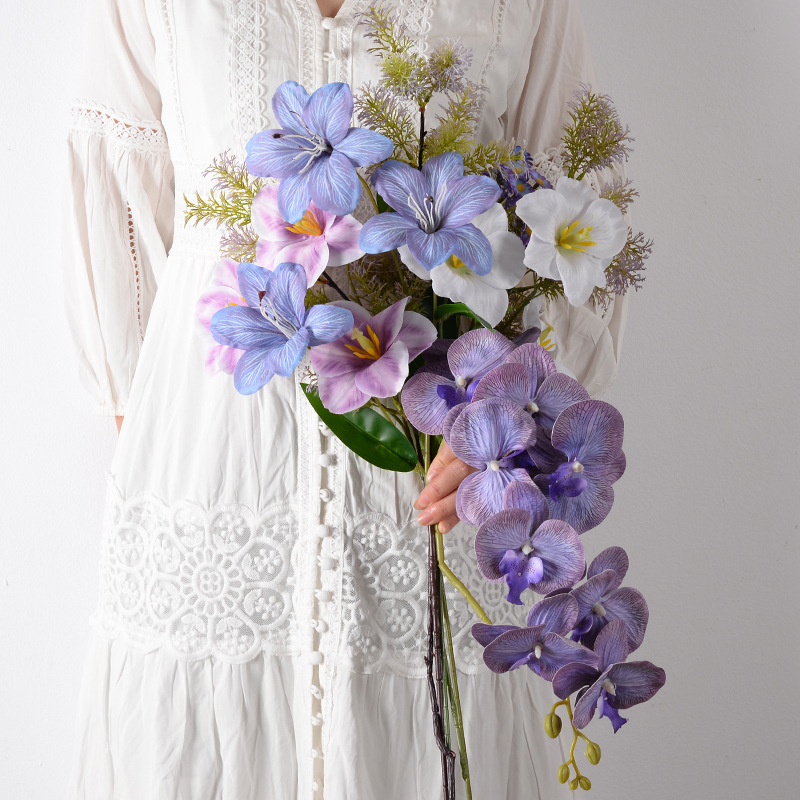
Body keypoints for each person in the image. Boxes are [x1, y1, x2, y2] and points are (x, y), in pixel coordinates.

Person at [63, 1, 627, 797]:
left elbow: (584, 210)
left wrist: (503, 418)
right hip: (214, 480)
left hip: (439, 476)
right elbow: (120, 215)